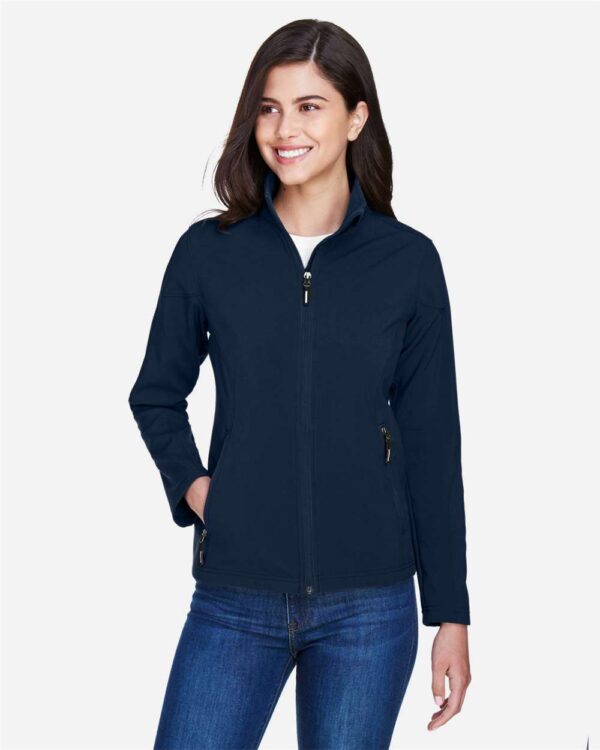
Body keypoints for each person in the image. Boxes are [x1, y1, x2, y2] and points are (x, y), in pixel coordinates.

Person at [128, 18, 472, 750]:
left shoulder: (408, 263)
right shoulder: (209, 253)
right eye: (269, 107)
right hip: (234, 598)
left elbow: (432, 442)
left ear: (356, 118)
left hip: (370, 609)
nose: (285, 129)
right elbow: (156, 392)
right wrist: (199, 490)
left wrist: (450, 612)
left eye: (310, 106)